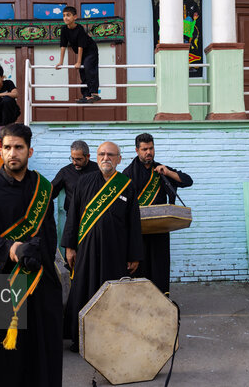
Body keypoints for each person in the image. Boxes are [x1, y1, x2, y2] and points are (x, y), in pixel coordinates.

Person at [0, 124, 62, 386]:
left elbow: (50, 234)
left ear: (30, 151)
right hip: (6, 282)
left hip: (42, 280)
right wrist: (10, 249)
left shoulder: (43, 187)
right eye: (7, 147)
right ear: (0, 152)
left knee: (44, 354)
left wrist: (39, 252)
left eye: (18, 147)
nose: (12, 153)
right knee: (9, 361)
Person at [61, 141, 143, 352]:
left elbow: (134, 223)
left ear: (119, 159)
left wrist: (134, 254)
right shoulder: (84, 182)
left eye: (110, 155)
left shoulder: (127, 184)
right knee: (83, 291)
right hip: (86, 250)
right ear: (96, 158)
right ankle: (81, 338)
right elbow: (73, 216)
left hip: (115, 251)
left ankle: (111, 338)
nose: (106, 158)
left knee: (112, 294)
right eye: (102, 154)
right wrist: (69, 247)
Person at [122, 133, 193, 294]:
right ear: (137, 150)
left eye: (151, 148)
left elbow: (188, 181)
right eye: (144, 149)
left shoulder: (161, 170)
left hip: (160, 229)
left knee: (160, 267)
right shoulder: (127, 174)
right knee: (139, 267)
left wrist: (168, 172)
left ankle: (161, 300)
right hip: (138, 231)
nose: (149, 152)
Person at [55, 6, 101, 104]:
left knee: (88, 67)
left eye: (68, 15)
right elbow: (63, 45)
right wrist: (60, 62)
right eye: (63, 16)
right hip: (82, 52)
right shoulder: (64, 29)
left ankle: (94, 93)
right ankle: (86, 96)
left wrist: (79, 61)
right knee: (82, 72)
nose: (65, 18)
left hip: (90, 50)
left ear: (75, 17)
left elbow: (81, 46)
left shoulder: (79, 28)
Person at [51, 140, 99, 213]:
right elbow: (51, 192)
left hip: (94, 216)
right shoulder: (65, 172)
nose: (74, 162)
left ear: (88, 156)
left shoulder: (98, 170)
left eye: (78, 159)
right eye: (72, 158)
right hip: (72, 217)